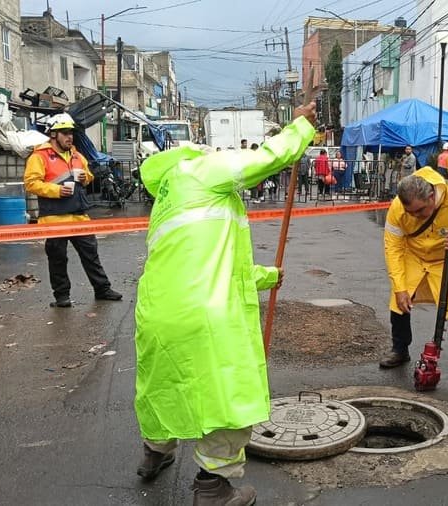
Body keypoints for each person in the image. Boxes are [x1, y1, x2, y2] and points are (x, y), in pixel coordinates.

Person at [133, 102, 317, 505]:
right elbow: (268, 157)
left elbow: (212, 263)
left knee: (163, 387)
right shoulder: (197, 169)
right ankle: (213, 487)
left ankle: (154, 455)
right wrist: (301, 125)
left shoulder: (167, 198)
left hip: (158, 312)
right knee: (226, 397)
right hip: (206, 314)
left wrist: (267, 276)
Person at [379, 167, 448, 380]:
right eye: (410, 212)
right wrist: (400, 287)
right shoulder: (398, 207)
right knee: (400, 300)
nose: (415, 216)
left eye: (420, 211)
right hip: (414, 255)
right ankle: (399, 349)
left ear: (432, 196)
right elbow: (393, 248)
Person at [23, 113, 122, 308]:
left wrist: (86, 178)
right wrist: (57, 190)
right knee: (58, 259)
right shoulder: (39, 156)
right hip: (53, 216)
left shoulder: (77, 155)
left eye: (71, 133)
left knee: (91, 255)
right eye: (65, 133)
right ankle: (62, 297)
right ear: (53, 135)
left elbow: (89, 176)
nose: (70, 137)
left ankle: (102, 289)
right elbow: (31, 183)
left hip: (78, 214)